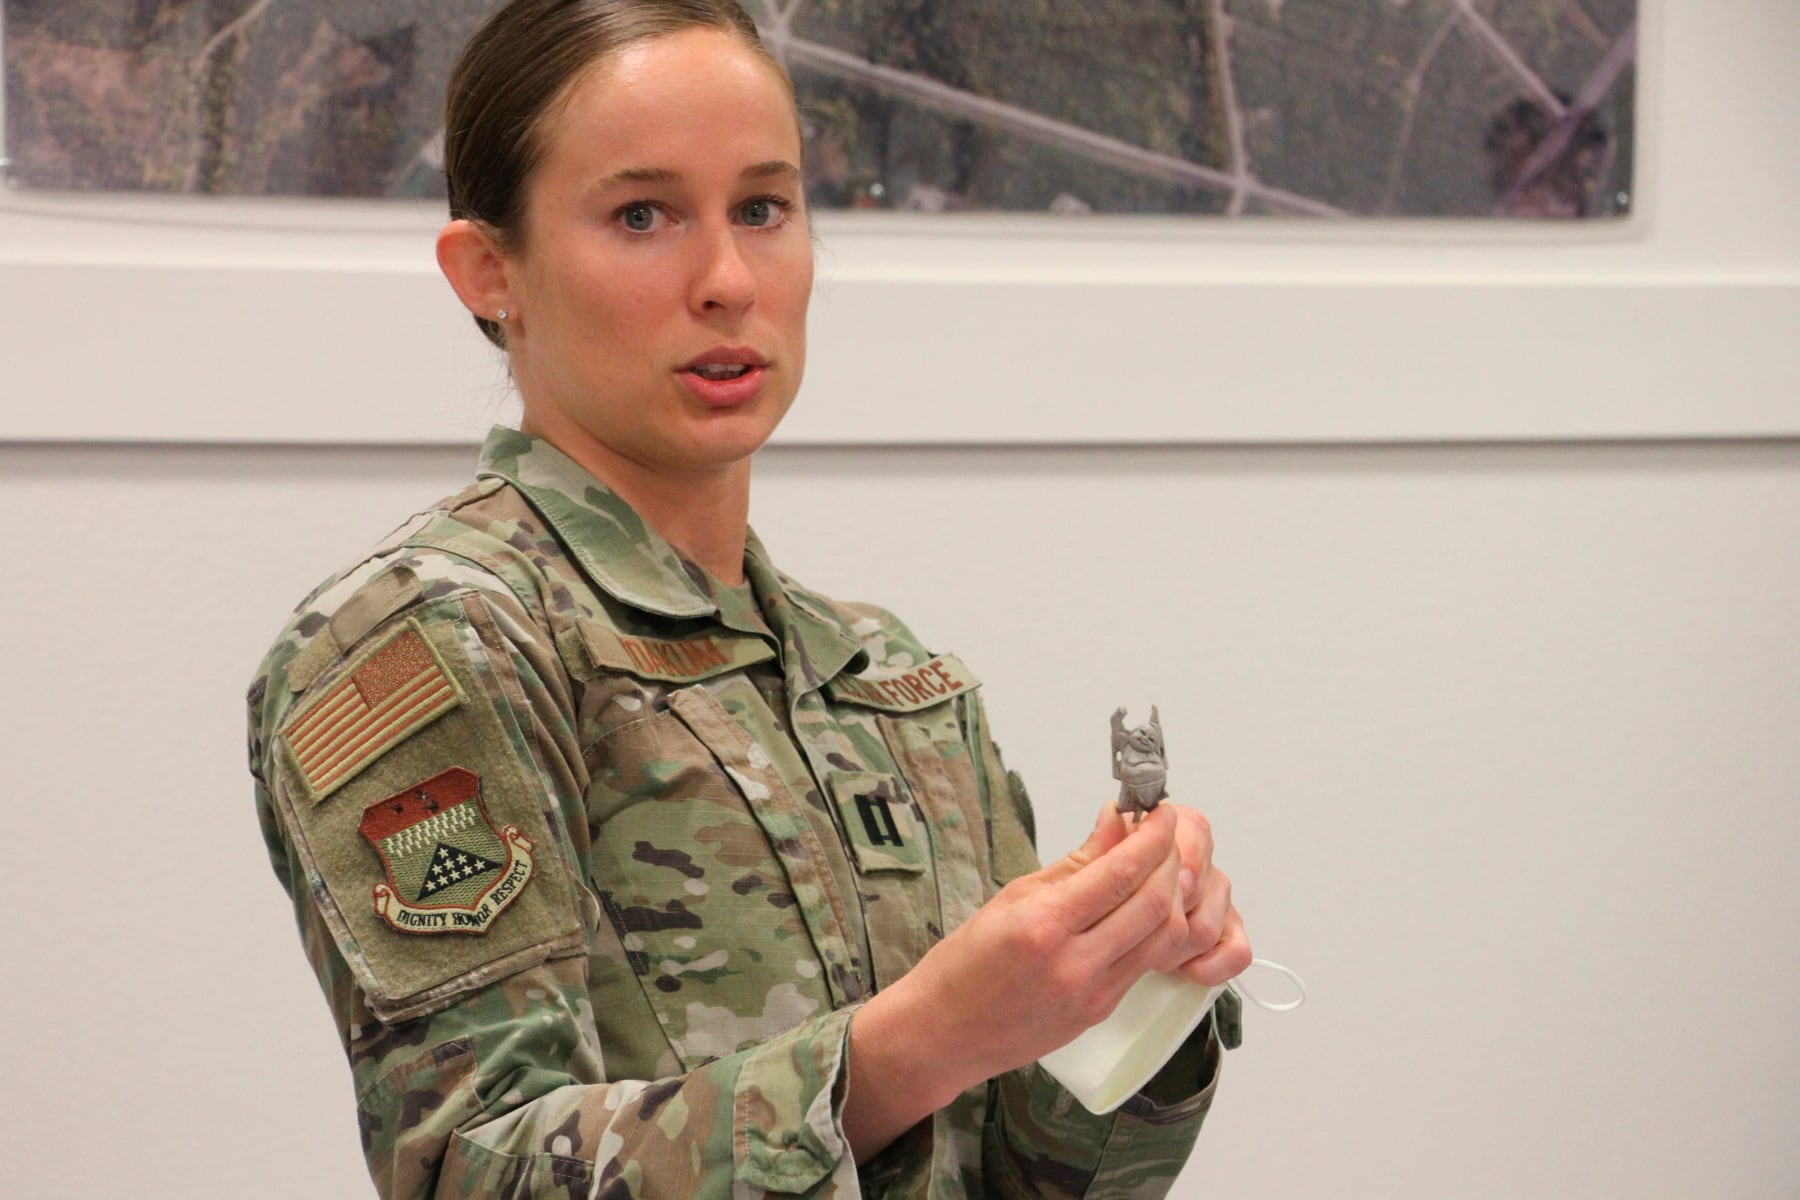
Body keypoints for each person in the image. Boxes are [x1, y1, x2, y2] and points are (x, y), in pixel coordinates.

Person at [246, 2, 1252, 1196]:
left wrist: (1123, 988)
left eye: (763, 209)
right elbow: (471, 1169)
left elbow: (1036, 1183)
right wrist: (923, 1037)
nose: (727, 280)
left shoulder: (891, 679)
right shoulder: (431, 642)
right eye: (641, 215)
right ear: (490, 270)